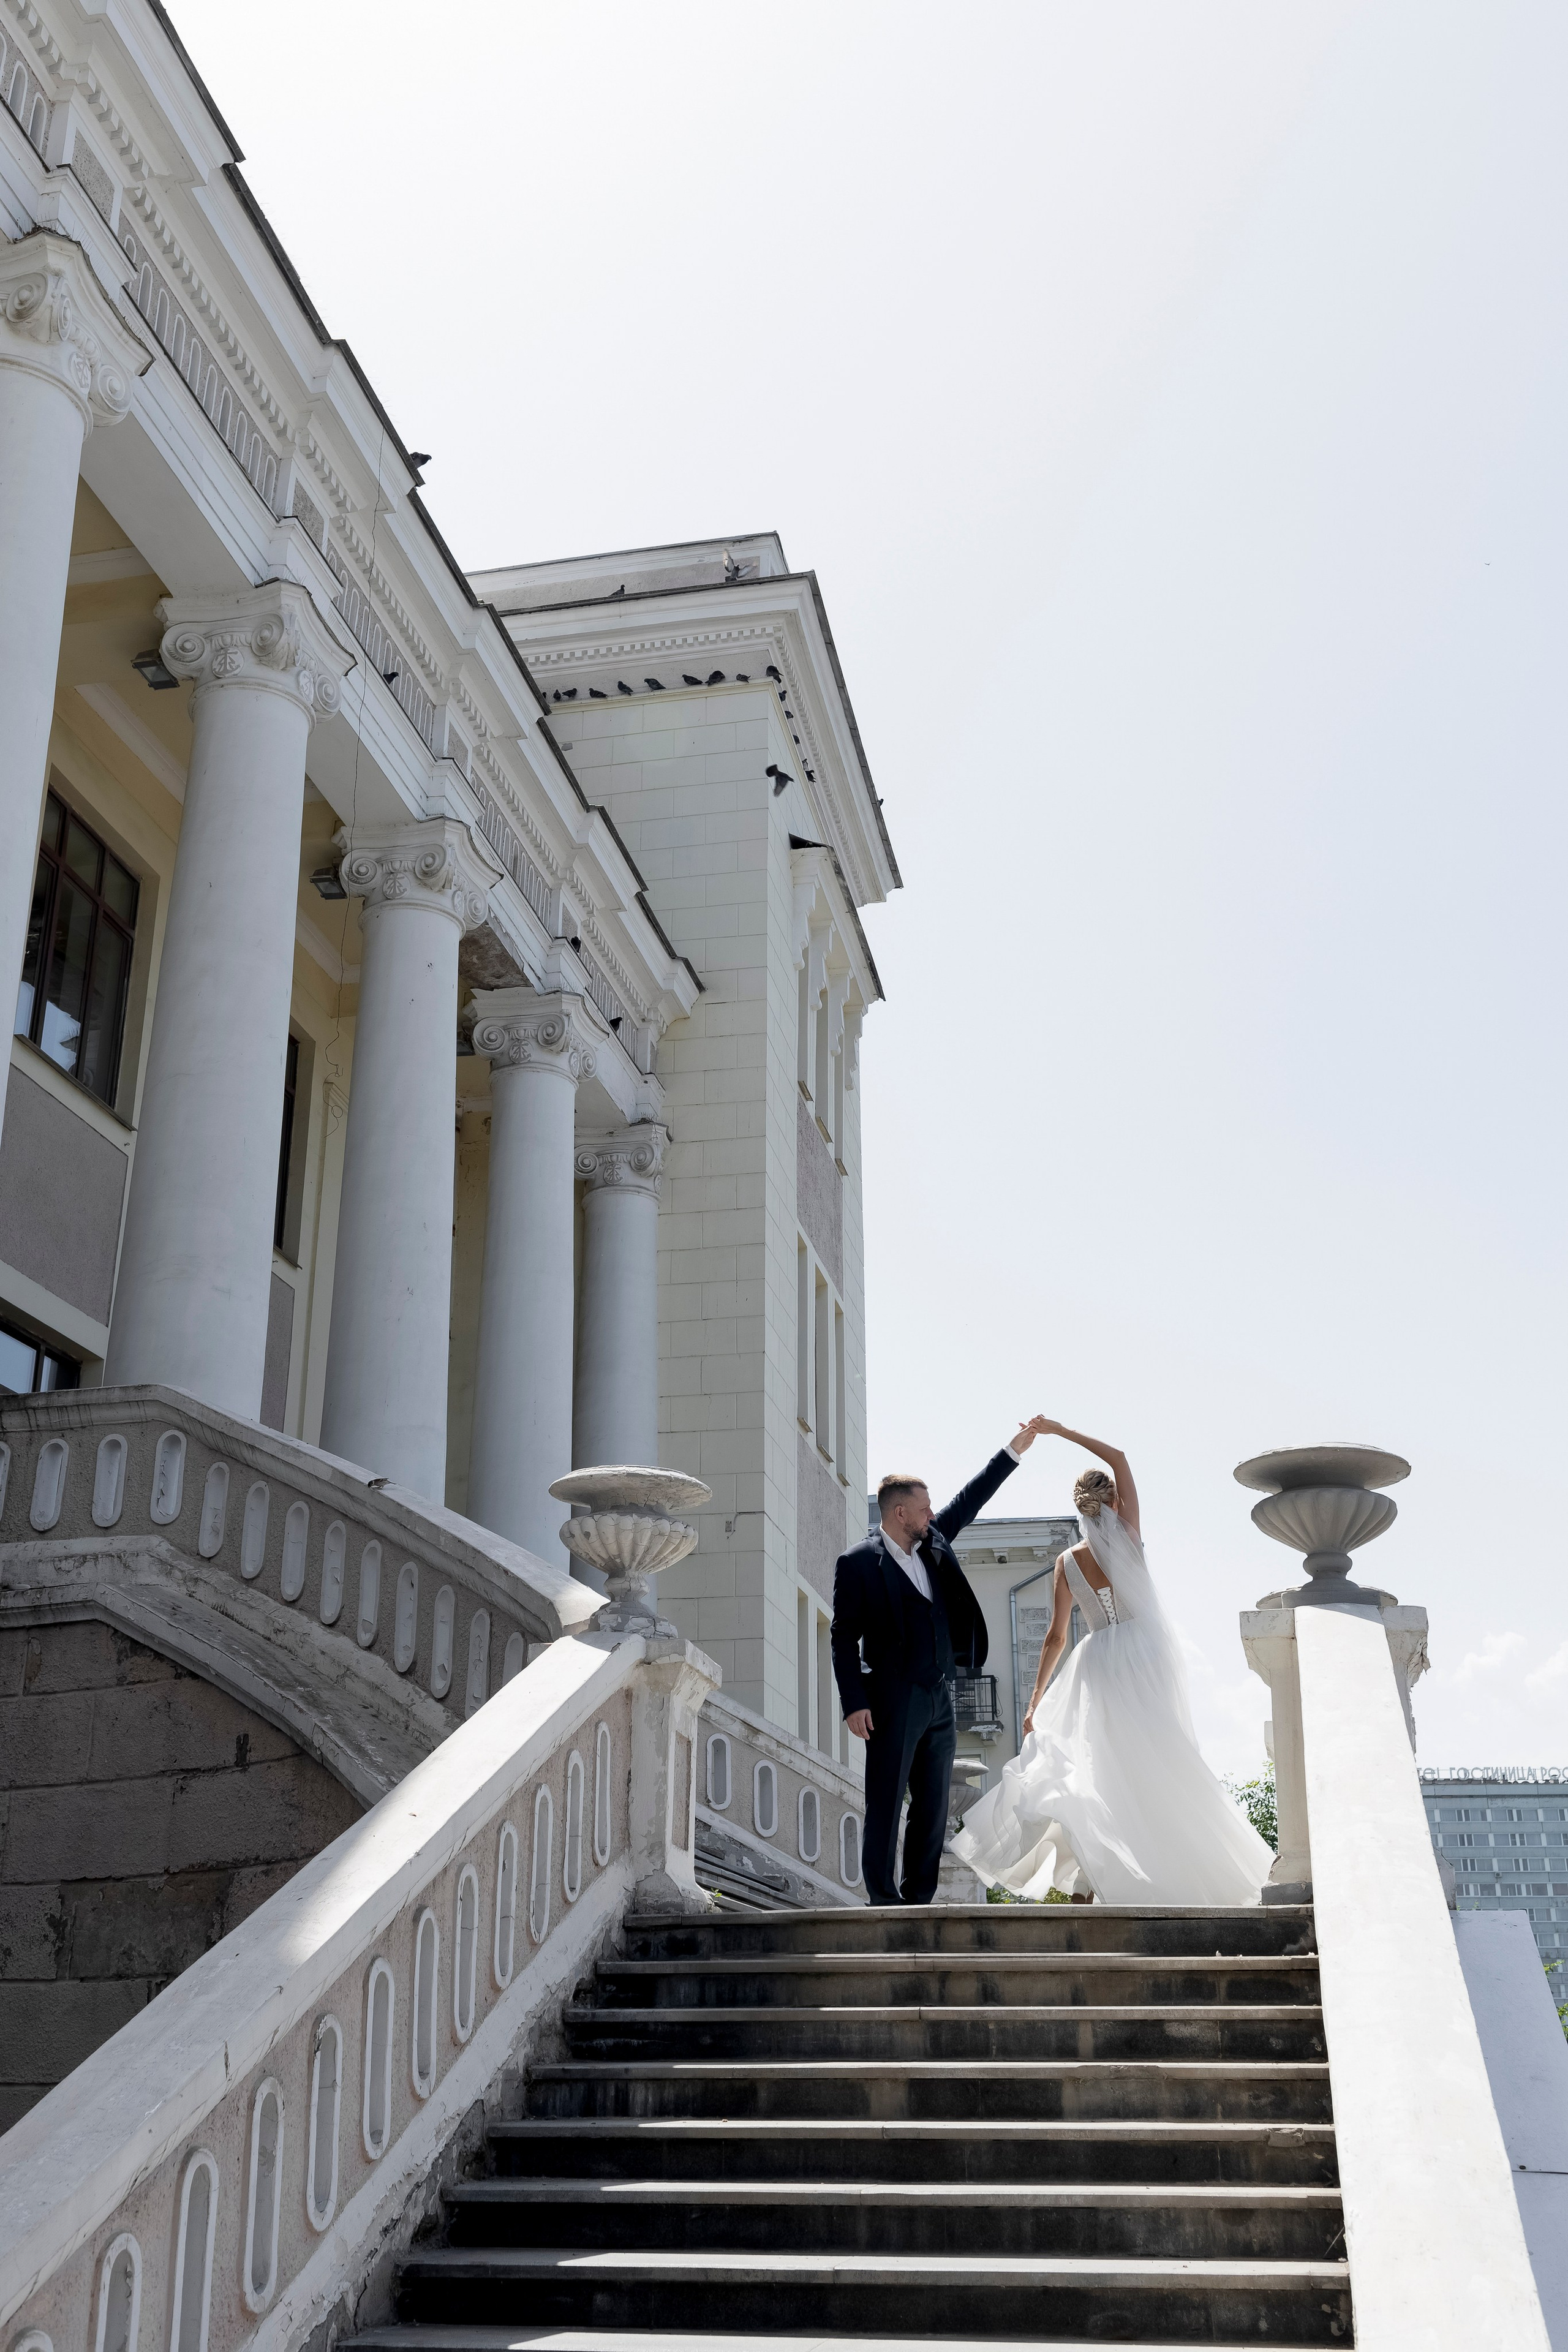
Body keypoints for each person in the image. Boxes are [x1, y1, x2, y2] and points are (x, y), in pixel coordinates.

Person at [951, 1420, 1273, 1905]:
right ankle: (1119, 1876)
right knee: (1155, 1763)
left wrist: (1036, 1698)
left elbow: (1055, 1637)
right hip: (1145, 1654)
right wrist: (1060, 1431)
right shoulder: (1127, 1534)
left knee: (1099, 1770)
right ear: (1116, 1501)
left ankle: (1089, 1882)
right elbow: (1120, 1456)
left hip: (1097, 1662)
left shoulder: (1067, 1562)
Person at [831, 1420, 1046, 1905]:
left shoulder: (933, 1542)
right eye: (924, 1508)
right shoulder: (859, 1563)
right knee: (885, 1801)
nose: (932, 1514)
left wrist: (1011, 1452)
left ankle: (919, 1897)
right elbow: (842, 1635)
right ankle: (884, 1900)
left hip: (938, 1697)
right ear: (900, 1512)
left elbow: (972, 1499)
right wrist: (854, 1701)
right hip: (890, 1698)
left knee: (932, 1806)